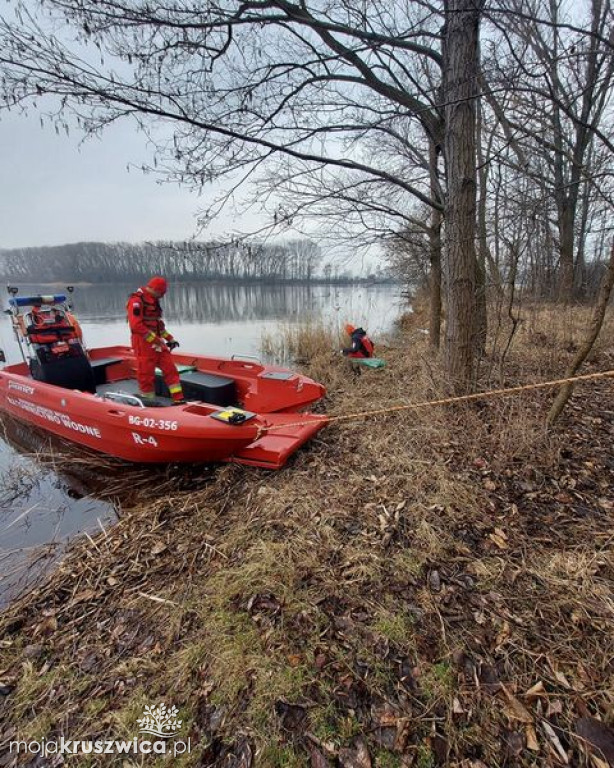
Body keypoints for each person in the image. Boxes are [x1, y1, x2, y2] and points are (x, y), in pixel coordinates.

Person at [126, 276, 185, 404]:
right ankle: (148, 402)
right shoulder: (136, 301)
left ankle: (179, 399)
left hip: (157, 343)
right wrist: (155, 340)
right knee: (146, 375)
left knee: (170, 369)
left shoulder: (154, 300)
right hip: (143, 343)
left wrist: (170, 339)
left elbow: (158, 325)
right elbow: (136, 326)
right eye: (161, 293)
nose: (162, 296)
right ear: (155, 289)